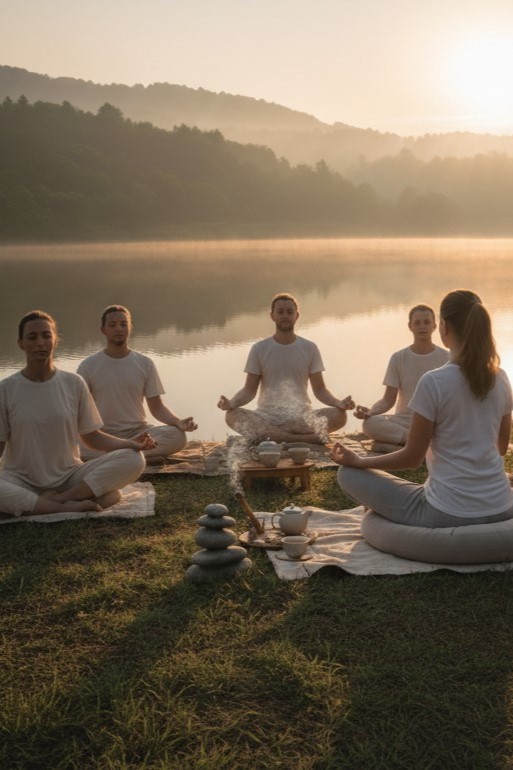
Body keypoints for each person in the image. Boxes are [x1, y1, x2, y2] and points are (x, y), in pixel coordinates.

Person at [331, 290, 513, 528]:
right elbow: (500, 447)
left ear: (443, 326)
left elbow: (412, 458)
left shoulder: (434, 381)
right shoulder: (501, 377)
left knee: (348, 474)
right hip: (501, 507)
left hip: (446, 512)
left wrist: (359, 462)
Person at [0, 310, 153, 518]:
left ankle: (58, 500)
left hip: (69, 477)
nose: (40, 343)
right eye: (32, 337)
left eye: (46, 336)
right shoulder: (6, 389)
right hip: (20, 480)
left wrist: (132, 444)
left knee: (134, 459)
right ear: (21, 343)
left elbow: (92, 438)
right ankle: (66, 506)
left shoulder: (73, 383)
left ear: (55, 340)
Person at [217, 293, 355, 444]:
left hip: (301, 418)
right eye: (280, 312)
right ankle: (300, 439)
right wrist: (232, 403)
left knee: (340, 415)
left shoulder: (309, 348)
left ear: (297, 316)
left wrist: (338, 403)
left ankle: (274, 436)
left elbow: (320, 390)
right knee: (231, 415)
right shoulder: (259, 349)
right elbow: (249, 390)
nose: (285, 316)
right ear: (272, 316)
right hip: (266, 416)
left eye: (290, 312)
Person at [77, 305, 197, 460]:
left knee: (177, 437)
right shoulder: (88, 365)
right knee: (70, 444)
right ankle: (131, 452)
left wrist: (178, 422)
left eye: (123, 324)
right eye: (112, 325)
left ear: (130, 328)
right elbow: (78, 410)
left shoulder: (144, 363)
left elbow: (157, 407)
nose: (118, 329)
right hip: (101, 435)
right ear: (103, 330)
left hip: (138, 432)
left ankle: (122, 453)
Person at [354, 304, 448, 447]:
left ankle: (414, 443)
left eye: (427, 322)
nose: (422, 326)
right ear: (410, 326)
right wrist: (371, 412)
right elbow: (387, 400)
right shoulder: (399, 358)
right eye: (417, 323)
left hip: (436, 421)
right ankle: (419, 442)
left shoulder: (447, 357)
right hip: (405, 421)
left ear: (434, 326)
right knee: (370, 424)